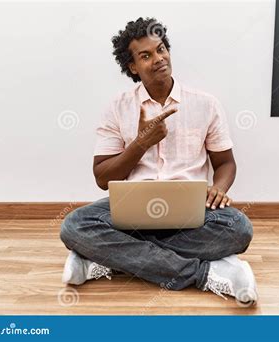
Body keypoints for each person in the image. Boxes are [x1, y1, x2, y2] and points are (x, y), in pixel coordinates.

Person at [60, 17, 258, 304]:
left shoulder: (206, 104)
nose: (159, 59)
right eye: (146, 55)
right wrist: (140, 144)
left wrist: (219, 188)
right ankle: (207, 273)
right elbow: (102, 178)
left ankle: (105, 260)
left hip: (192, 210)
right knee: (74, 226)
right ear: (132, 67)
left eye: (161, 49)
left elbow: (226, 163)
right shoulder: (116, 108)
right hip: (132, 211)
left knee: (239, 229)